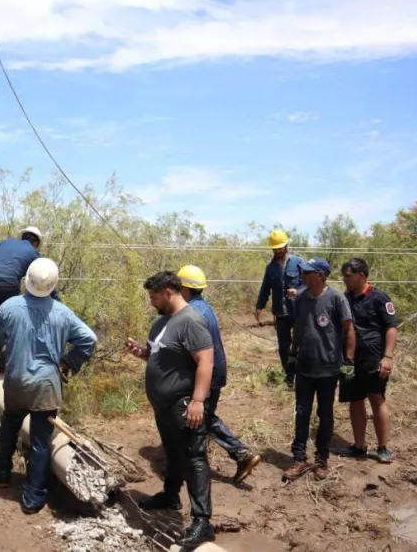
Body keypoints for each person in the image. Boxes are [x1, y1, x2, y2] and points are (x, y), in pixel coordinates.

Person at [0, 258, 97, 515]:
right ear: (53, 284)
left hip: (16, 381)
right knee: (41, 441)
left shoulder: (10, 307)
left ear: (27, 280)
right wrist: (68, 363)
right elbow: (89, 339)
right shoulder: (62, 312)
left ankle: (1, 472)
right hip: (46, 385)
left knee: (10, 425)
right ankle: (33, 497)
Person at [126, 271, 216, 548]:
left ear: (168, 292)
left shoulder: (191, 321)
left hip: (183, 403)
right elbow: (159, 354)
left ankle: (202, 521)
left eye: (154, 297)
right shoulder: (161, 321)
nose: (151, 301)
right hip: (162, 404)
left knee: (194, 457)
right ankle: (170, 495)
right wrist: (141, 352)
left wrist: (198, 401)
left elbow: (205, 362)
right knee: (172, 450)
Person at [178, 265, 262, 484]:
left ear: (185, 289)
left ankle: (240, 454)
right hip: (217, 370)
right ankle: (199, 459)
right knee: (203, 418)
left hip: (208, 373)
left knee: (202, 417)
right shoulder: (204, 307)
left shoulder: (192, 312)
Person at [283, 258, 356, 481]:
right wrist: (293, 355)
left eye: (308, 272)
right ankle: (299, 459)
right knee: (301, 413)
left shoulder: (336, 298)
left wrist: (349, 361)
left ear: (322, 276)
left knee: (325, 415)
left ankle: (322, 459)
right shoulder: (303, 297)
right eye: (303, 272)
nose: (304, 275)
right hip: (305, 367)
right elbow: (298, 327)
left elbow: (349, 329)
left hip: (328, 369)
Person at [338, 258, 399, 464]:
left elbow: (392, 327)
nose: (345, 280)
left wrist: (387, 357)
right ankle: (359, 446)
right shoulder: (345, 298)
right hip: (350, 360)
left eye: (348, 276)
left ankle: (383, 448)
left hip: (374, 359)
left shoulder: (379, 298)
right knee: (355, 401)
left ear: (361, 275)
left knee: (376, 399)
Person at [255, 229, 305, 389]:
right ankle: (290, 376)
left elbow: (308, 283)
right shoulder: (270, 268)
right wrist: (259, 306)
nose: (277, 251)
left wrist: (299, 291)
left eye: (280, 248)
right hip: (280, 312)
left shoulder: (298, 262)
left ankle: (303, 374)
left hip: (298, 311)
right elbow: (265, 288)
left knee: (301, 343)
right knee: (284, 346)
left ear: (286, 245)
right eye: (275, 248)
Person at [0, 226, 54, 311]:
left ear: (22, 237)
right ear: (36, 243)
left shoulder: (5, 242)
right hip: (8, 284)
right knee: (9, 316)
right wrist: (55, 298)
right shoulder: (34, 254)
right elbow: (44, 278)